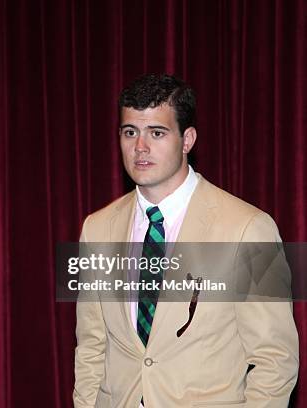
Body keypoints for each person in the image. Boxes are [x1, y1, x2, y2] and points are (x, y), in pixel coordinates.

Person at [73, 74, 298, 407]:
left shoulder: (249, 228)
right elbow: (91, 346)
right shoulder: (97, 228)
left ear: (188, 138)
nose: (140, 148)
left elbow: (275, 359)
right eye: (130, 132)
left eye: (157, 133)